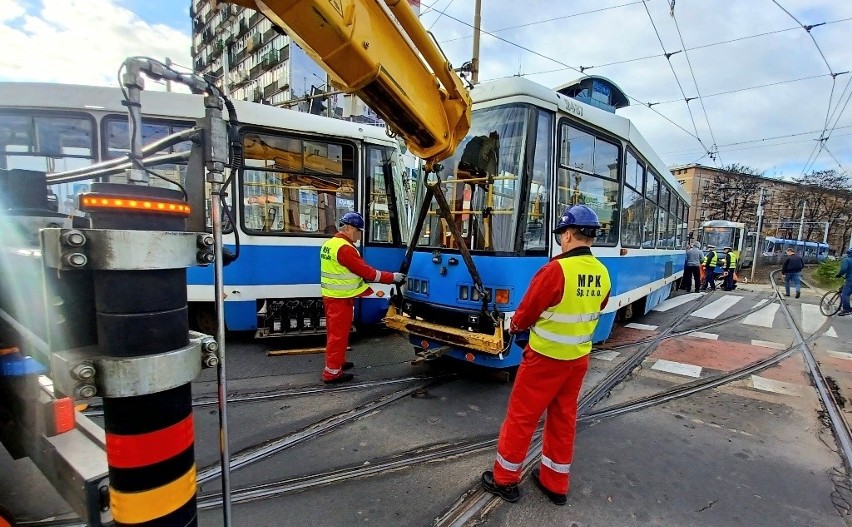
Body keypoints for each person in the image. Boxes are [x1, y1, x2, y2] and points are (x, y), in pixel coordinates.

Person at [481, 205, 611, 506]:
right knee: (563, 419)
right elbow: (598, 307)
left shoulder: (556, 270)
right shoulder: (602, 272)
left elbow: (526, 312)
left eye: (560, 234)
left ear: (567, 234)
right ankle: (555, 484)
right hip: (577, 360)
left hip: (544, 359)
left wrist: (517, 328)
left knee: (521, 418)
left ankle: (505, 480)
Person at [319, 212, 405, 384]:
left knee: (337, 333)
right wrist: (392, 277)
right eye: (359, 231)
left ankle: (339, 363)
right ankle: (332, 373)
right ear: (349, 228)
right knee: (338, 335)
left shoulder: (330, 244)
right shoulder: (345, 249)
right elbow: (367, 272)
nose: (360, 235)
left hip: (333, 297)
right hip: (340, 300)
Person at [836, 248, 852, 316]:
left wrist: (839, 275)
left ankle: (846, 309)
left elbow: (843, 269)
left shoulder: (847, 260)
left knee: (845, 294)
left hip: (850, 280)